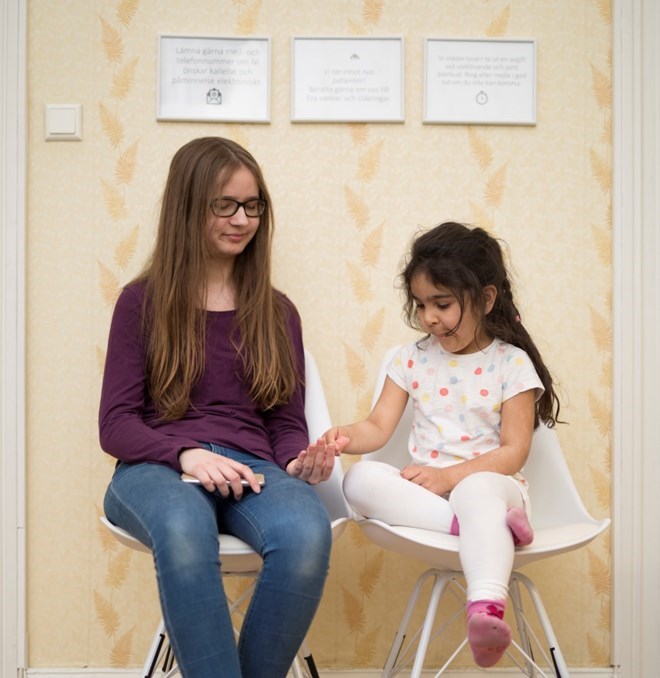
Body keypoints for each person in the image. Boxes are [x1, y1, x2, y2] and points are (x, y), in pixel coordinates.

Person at [99, 136, 337, 678]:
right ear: (188, 207)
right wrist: (186, 453)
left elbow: (284, 420)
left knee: (306, 532)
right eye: (225, 205)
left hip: (251, 466)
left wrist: (296, 461)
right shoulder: (140, 303)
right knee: (184, 527)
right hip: (156, 466)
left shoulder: (278, 312)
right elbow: (115, 424)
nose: (242, 220)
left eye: (253, 205)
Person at [323, 222, 560, 668]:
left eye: (442, 304)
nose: (429, 317)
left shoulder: (511, 364)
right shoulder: (411, 359)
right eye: (421, 305)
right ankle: (487, 531)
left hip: (495, 488)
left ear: (486, 299)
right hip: (432, 501)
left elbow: (514, 451)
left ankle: (485, 608)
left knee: (476, 490)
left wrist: (449, 476)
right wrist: (344, 436)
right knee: (359, 479)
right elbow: (377, 426)